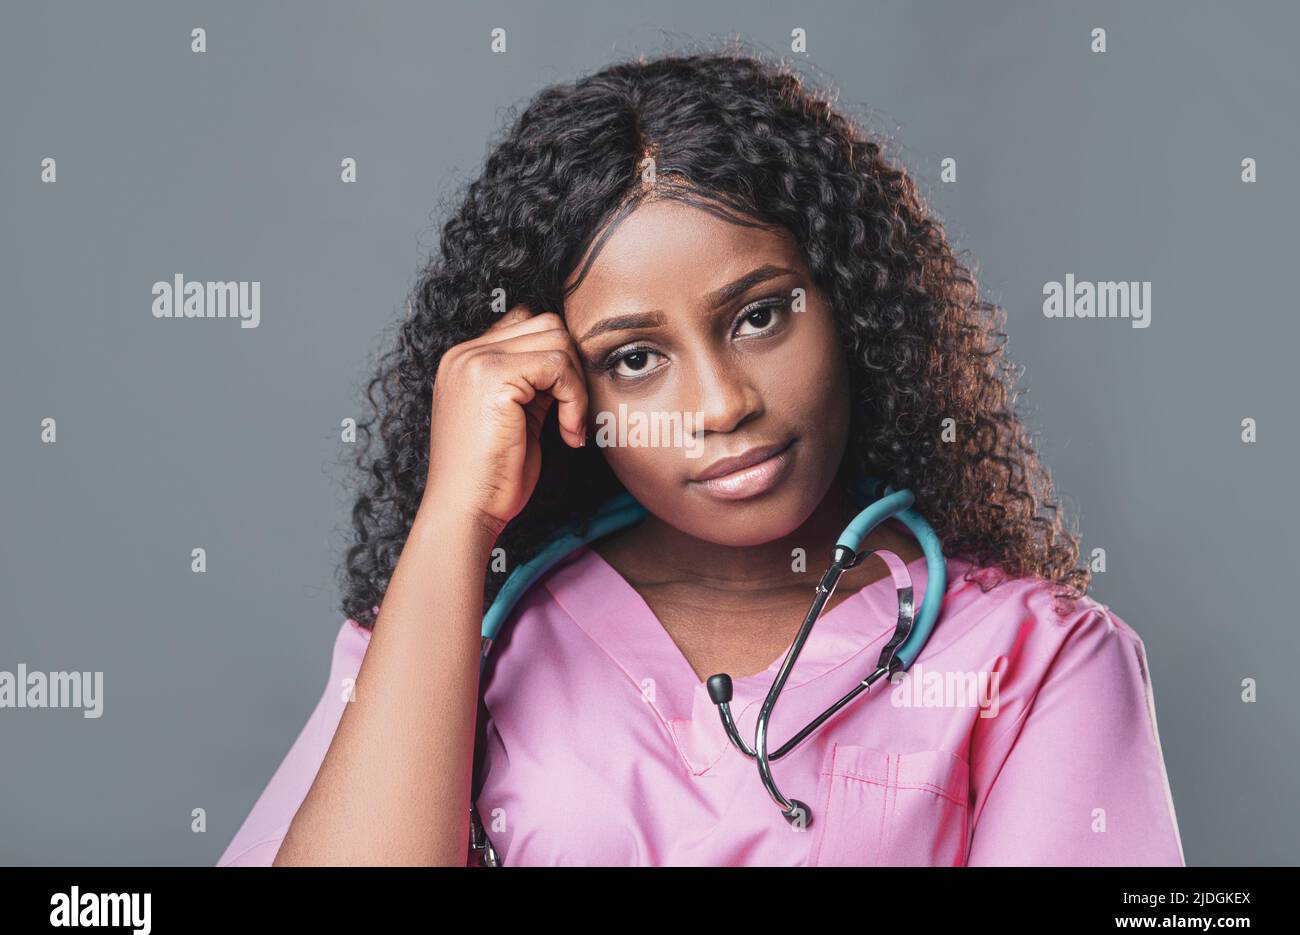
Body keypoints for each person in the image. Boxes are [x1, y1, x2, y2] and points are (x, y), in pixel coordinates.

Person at [217, 49, 1184, 867]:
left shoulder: (1041, 662)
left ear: (848, 302)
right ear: (566, 392)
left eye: (760, 317)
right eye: (634, 360)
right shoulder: (449, 631)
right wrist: (455, 520)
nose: (722, 405)